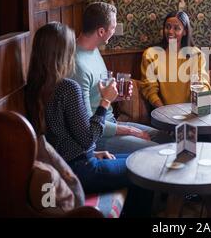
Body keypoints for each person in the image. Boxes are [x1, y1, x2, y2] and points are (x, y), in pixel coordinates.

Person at [25, 22, 153, 217]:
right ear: (63, 52)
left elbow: (63, 137)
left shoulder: (34, 87)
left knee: (141, 161)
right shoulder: (67, 87)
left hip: (73, 162)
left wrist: (96, 152)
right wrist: (105, 101)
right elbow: (88, 138)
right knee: (145, 167)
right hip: (81, 169)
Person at [73, 2, 172, 154]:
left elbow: (97, 96)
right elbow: (87, 124)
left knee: (168, 140)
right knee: (158, 152)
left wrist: (116, 96)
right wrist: (130, 130)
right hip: (98, 135)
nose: (114, 30)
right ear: (101, 31)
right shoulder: (78, 66)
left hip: (110, 121)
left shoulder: (93, 50)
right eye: (113, 27)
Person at [140, 11, 211, 107]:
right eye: (168, 27)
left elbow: (202, 83)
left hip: (190, 113)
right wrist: (163, 112)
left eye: (176, 28)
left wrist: (200, 107)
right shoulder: (151, 54)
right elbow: (149, 89)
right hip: (161, 112)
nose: (170, 31)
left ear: (185, 31)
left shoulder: (196, 54)